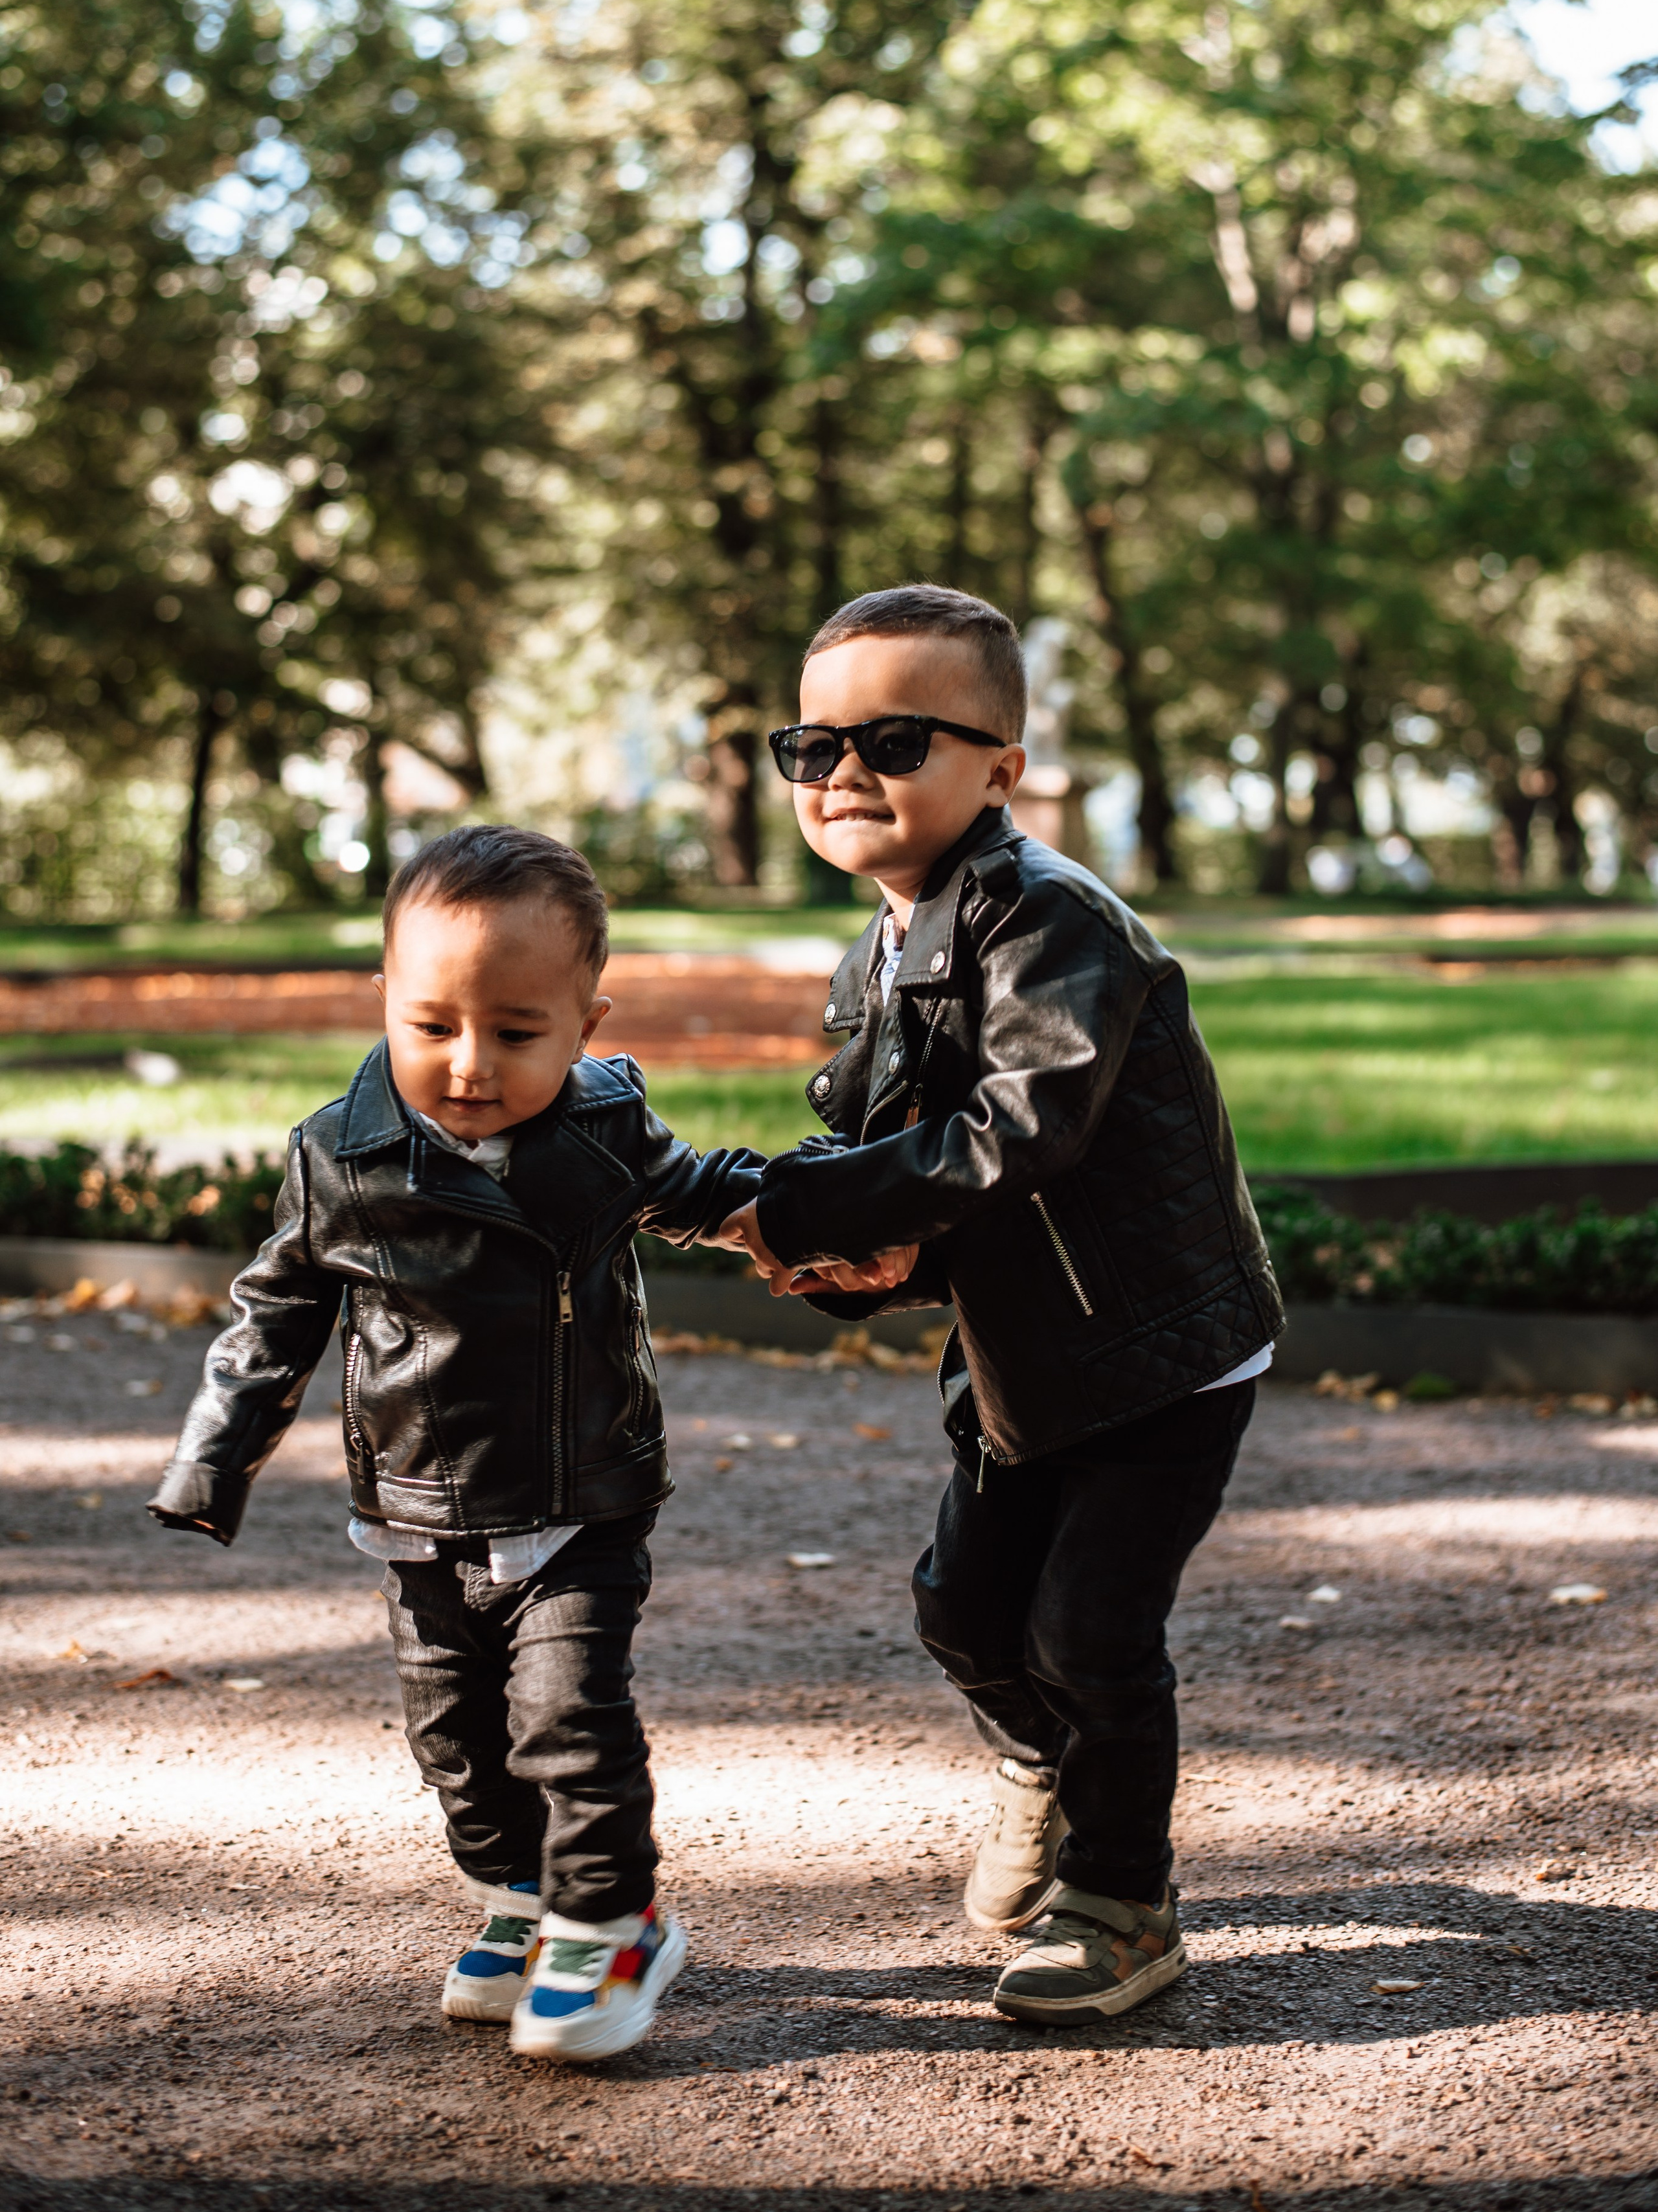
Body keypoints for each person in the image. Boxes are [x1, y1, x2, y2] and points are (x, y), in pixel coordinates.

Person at [149, 825, 831, 2061]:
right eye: (434, 1025)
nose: (470, 1065)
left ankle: (611, 1921)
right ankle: (521, 1895)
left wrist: (799, 1223)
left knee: (569, 1719)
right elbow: (277, 1311)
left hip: (580, 1490)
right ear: (387, 1005)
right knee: (458, 1744)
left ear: (587, 1023)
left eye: (518, 1034)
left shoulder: (601, 1135)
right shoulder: (341, 1157)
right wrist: (213, 1456)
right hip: (416, 1499)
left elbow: (697, 1192)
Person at [720, 585, 1282, 2029]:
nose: (842, 772)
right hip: (1028, 1345)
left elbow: (1013, 1133)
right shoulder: (877, 959)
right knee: (964, 1608)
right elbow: (897, 1170)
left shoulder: (1053, 925)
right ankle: (1047, 1757)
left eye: (892, 738)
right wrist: (850, 1257)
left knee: (1089, 1624)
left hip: (1160, 1348)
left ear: (998, 768)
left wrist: (808, 1208)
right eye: (811, 745)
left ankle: (1119, 1899)